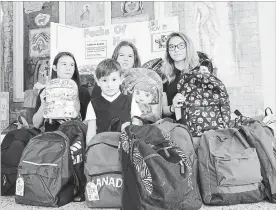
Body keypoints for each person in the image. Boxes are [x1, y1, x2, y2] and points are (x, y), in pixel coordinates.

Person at [85, 58, 142, 144]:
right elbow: (91, 132)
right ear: (98, 81)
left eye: (114, 79)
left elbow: (138, 124)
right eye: (104, 80)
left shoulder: (130, 100)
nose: (109, 85)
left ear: (121, 79)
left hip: (126, 147)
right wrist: (89, 151)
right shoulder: (93, 104)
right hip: (102, 147)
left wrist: (131, 125)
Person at [32, 52, 91, 132]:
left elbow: (89, 121)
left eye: (72, 65)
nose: (68, 68)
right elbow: (36, 124)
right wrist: (43, 104)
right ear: (54, 68)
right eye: (64, 64)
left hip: (75, 136)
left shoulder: (83, 92)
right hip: (52, 138)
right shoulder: (46, 91)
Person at [162, 32, 201, 120]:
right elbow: (163, 111)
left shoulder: (199, 71)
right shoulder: (164, 76)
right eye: (172, 47)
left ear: (188, 47)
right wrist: (173, 107)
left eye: (181, 45)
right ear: (168, 51)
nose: (176, 50)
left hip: (198, 122)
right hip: (175, 127)